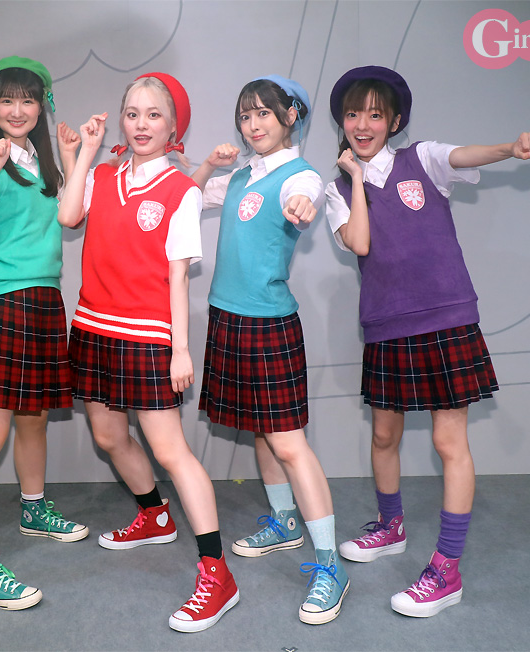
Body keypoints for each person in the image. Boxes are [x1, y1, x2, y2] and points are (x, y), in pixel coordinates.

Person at [325, 65, 530, 618]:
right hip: (386, 325)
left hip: (447, 320)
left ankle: (447, 569)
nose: (363, 124)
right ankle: (391, 526)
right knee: (383, 436)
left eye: (375, 114)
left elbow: (466, 155)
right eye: (353, 114)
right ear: (342, 122)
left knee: (450, 443)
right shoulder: (336, 190)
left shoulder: (421, 158)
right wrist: (355, 178)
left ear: (394, 121)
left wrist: (510, 148)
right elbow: (361, 243)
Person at [56, 72, 238, 633]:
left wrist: (181, 350)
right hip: (92, 328)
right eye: (132, 113)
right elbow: (67, 215)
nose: (141, 124)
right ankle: (155, 516)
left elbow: (178, 278)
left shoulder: (182, 190)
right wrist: (85, 152)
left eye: (153, 114)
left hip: (147, 336)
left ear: (173, 126)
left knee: (171, 451)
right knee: (109, 437)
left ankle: (217, 575)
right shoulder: (102, 174)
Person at [190, 75, 348, 625]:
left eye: (263, 113)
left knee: (288, 443)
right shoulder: (241, 175)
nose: (252, 124)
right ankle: (284, 523)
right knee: (259, 429)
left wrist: (304, 203)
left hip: (267, 324)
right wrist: (205, 164)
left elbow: (306, 195)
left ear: (290, 116)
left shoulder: (299, 175)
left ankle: (330, 566)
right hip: (226, 316)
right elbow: (190, 193)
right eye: (245, 114)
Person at [0, 56, 87, 611]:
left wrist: (73, 157)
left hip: (43, 299)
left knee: (34, 419)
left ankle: (33, 508)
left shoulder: (43, 162)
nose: (18, 109)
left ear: (42, 106)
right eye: (7, 99)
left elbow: (72, 216)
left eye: (28, 99)